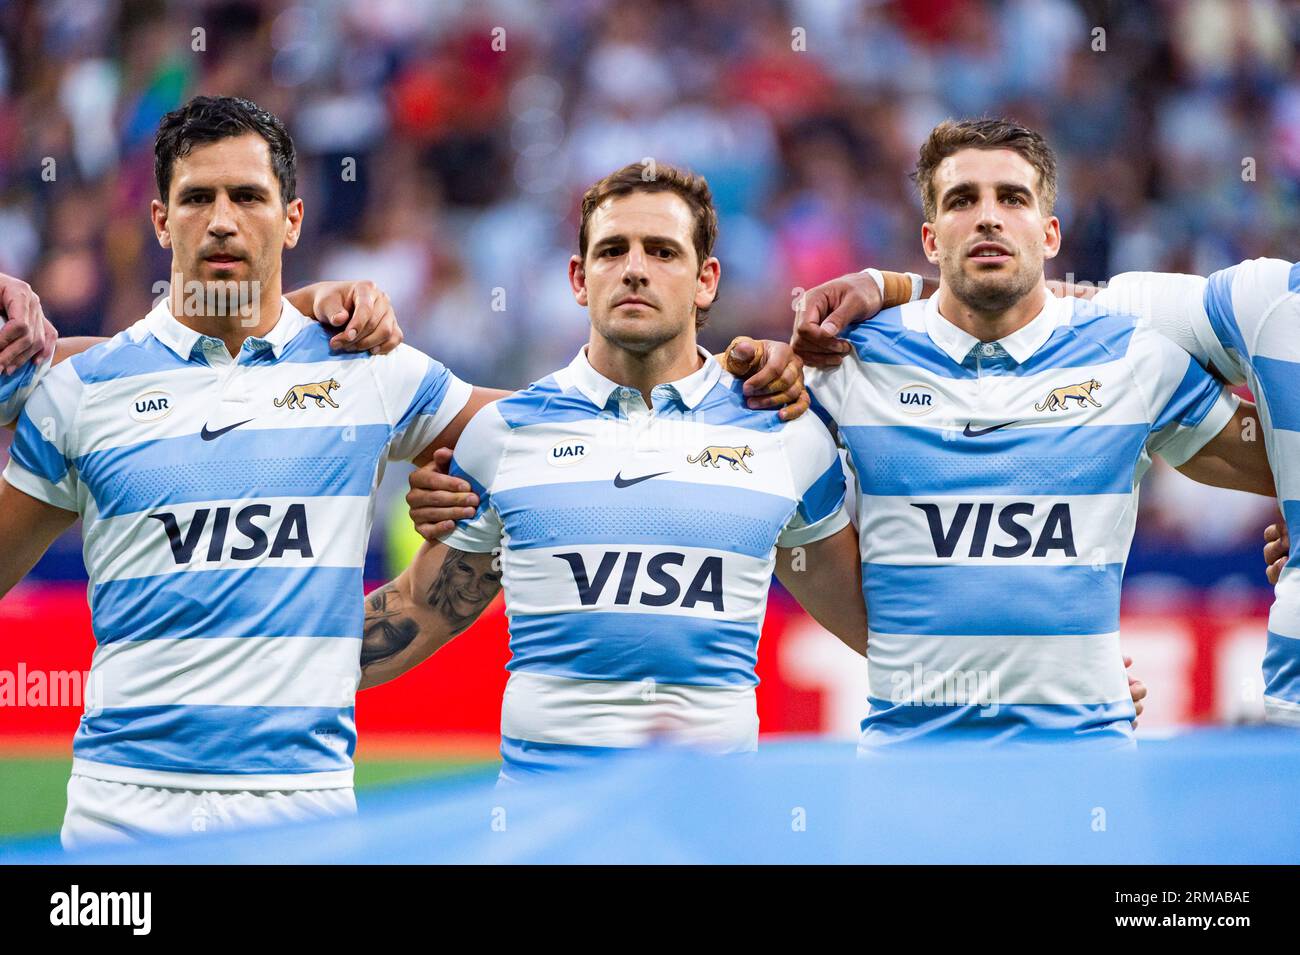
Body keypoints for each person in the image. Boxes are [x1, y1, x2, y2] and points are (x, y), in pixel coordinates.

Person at [0, 98, 809, 845]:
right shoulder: (84, 389)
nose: (220, 221)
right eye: (197, 199)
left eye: (246, 197)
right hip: (119, 812)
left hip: (304, 811)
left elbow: (558, 428)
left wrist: (737, 382)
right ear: (158, 219)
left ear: (291, 220)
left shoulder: (366, 367)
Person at [356, 162, 870, 781]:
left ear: (706, 281)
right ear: (578, 277)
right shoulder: (505, 434)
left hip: (713, 837)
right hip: (545, 834)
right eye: (611, 250)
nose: (634, 268)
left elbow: (877, 627)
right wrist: (241, 664)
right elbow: (419, 609)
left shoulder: (785, 433)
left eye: (662, 251)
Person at [774, 119, 1274, 744]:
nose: (988, 217)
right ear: (930, 238)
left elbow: (1277, 464)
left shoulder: (1134, 359)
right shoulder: (848, 361)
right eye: (962, 200)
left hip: (1085, 767)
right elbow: (764, 490)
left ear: (1050, 232)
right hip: (906, 770)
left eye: (1012, 198)